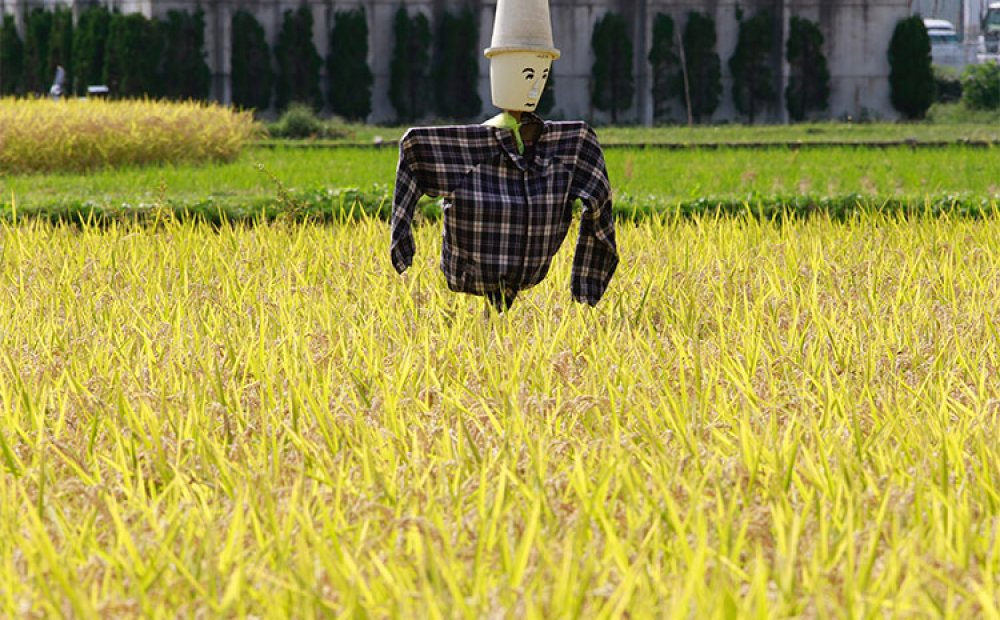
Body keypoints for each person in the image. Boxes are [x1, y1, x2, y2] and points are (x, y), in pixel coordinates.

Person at [390, 0, 618, 311]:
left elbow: (600, 208)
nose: (536, 86)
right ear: (498, 68)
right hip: (471, 271)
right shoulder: (470, 148)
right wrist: (401, 242)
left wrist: (588, 282)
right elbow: (414, 151)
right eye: (527, 74)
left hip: (532, 267)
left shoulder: (571, 146)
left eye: (542, 74)